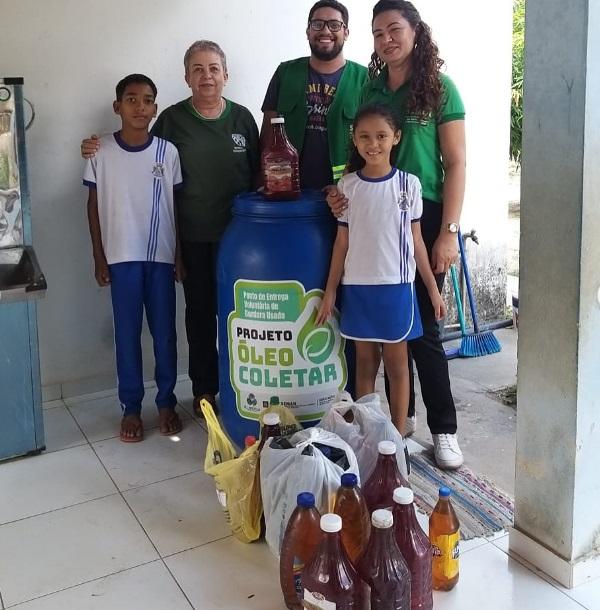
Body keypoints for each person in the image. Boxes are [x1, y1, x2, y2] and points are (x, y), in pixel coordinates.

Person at [82, 41, 260, 417]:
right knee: (198, 315)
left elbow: (260, 175)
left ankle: (240, 388)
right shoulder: (172, 121)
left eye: (213, 68)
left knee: (236, 315)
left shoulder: (244, 119)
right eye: (197, 69)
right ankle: (204, 391)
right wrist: (93, 144)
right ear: (186, 77)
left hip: (239, 241)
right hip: (190, 237)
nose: (206, 75)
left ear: (225, 75)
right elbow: (142, 149)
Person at [327, 0, 466, 468]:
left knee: (421, 330)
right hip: (372, 216)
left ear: (415, 31)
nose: (387, 39)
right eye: (378, 32)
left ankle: (443, 429)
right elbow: (355, 149)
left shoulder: (441, 89)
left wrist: (447, 231)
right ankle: (395, 428)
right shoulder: (372, 87)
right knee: (381, 340)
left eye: (395, 29)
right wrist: (340, 194)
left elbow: (456, 163)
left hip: (422, 216)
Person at [317, 103, 445, 433]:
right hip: (357, 287)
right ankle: (369, 432)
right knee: (363, 363)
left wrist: (432, 289)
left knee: (397, 364)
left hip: (397, 288)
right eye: (364, 137)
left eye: (381, 136)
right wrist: (331, 290)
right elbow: (341, 243)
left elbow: (417, 242)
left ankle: (399, 432)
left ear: (396, 138)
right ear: (355, 140)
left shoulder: (409, 185)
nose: (373, 144)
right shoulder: (347, 187)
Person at [84, 74, 184, 442]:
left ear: (155, 108)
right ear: (117, 107)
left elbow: (177, 207)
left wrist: (179, 255)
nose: (139, 107)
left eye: (147, 101)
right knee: (127, 335)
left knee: (165, 335)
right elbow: (92, 206)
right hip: (120, 256)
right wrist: (99, 256)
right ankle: (131, 407)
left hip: (160, 256)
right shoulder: (100, 151)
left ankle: (167, 402)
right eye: (131, 100)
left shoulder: (167, 152)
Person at [261, 0, 368, 189]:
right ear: (308, 31)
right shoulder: (284, 73)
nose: (326, 31)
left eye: (334, 25)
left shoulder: (364, 79)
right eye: (318, 24)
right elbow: (267, 135)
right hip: (288, 190)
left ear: (346, 32)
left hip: (345, 193)